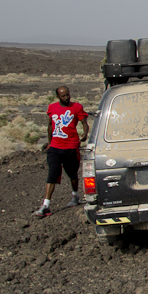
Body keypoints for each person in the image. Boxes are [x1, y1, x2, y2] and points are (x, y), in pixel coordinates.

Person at [36, 86, 90, 218]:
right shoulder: (52, 108)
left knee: (72, 174)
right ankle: (46, 205)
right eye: (63, 96)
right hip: (55, 147)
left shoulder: (76, 107)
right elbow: (50, 125)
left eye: (67, 95)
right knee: (52, 174)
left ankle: (75, 196)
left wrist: (85, 133)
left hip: (71, 147)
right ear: (58, 97)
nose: (66, 97)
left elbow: (84, 122)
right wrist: (49, 143)